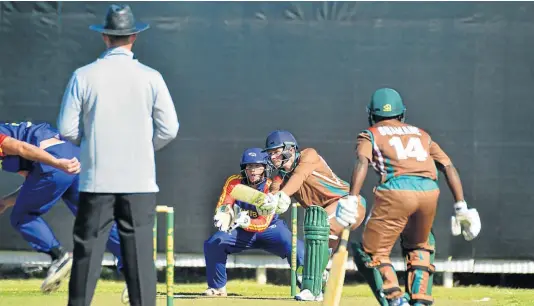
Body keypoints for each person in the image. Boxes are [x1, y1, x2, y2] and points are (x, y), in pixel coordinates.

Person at [56, 4, 179, 306]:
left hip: (97, 180)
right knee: (139, 258)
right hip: (139, 182)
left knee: (87, 255)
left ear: (105, 38)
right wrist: (142, 148)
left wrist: (92, 144)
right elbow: (170, 128)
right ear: (134, 36)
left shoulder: (84, 75)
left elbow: (66, 129)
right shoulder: (151, 77)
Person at [335, 88, 481, 306]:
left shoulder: (370, 134)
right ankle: (420, 301)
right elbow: (447, 166)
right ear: (401, 113)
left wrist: (352, 197)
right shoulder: (421, 134)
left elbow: (362, 161)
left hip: (396, 191)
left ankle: (396, 300)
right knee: (421, 246)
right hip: (429, 191)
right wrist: (461, 206)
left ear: (372, 114)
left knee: (370, 252)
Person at [0, 121, 124, 294]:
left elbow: (21, 148)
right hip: (74, 158)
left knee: (22, 216)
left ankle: (58, 256)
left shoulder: (6, 141)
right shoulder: (9, 148)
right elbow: (33, 182)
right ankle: (132, 268)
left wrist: (57, 163)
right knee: (94, 218)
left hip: (57, 161)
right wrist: (6, 201)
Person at [256, 130, 367, 302]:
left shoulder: (309, 155)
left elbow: (298, 177)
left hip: (349, 203)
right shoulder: (280, 177)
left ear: (290, 150)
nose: (273, 158)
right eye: (270, 154)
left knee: (318, 225)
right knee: (317, 242)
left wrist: (283, 195)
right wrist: (264, 207)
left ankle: (311, 288)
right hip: (323, 214)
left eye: (277, 152)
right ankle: (318, 283)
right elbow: (274, 193)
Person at [204, 148, 305, 297]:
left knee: (298, 248)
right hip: (241, 230)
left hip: (271, 229)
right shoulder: (235, 181)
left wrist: (246, 221)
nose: (253, 170)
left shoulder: (271, 186)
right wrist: (223, 213)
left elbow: (263, 223)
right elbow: (225, 202)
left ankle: (307, 286)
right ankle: (217, 288)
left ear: (265, 168)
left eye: (258, 166)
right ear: (244, 168)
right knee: (214, 242)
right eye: (249, 166)